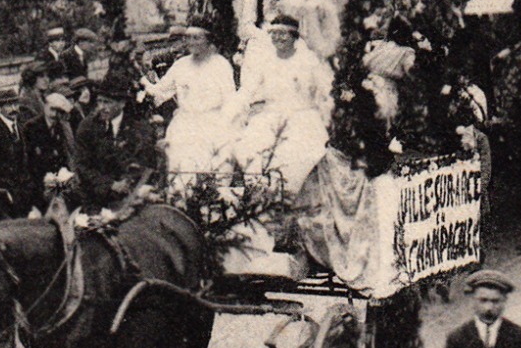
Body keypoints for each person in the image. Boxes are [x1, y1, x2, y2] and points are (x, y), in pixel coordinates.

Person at [232, 15, 332, 196]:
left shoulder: (308, 60)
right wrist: (232, 109)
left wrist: (330, 112)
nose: (277, 38)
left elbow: (327, 90)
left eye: (282, 34)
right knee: (249, 149)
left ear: (294, 36)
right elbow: (248, 90)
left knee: (296, 156)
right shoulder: (265, 60)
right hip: (271, 115)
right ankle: (262, 200)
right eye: (274, 33)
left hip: (303, 118)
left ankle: (289, 199)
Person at [141, 24, 237, 181]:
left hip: (212, 125)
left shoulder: (221, 65)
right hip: (184, 127)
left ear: (208, 40)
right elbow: (161, 91)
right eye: (188, 38)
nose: (191, 42)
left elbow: (230, 99)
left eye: (196, 38)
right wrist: (143, 81)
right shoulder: (181, 65)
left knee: (212, 174)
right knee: (182, 175)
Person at [74, 78, 164, 210]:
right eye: (99, 101)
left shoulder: (139, 128)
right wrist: (110, 184)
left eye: (107, 102)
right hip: (95, 197)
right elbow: (82, 165)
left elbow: (146, 162)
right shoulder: (87, 127)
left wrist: (128, 183)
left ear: (122, 103)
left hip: (132, 196)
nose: (102, 107)